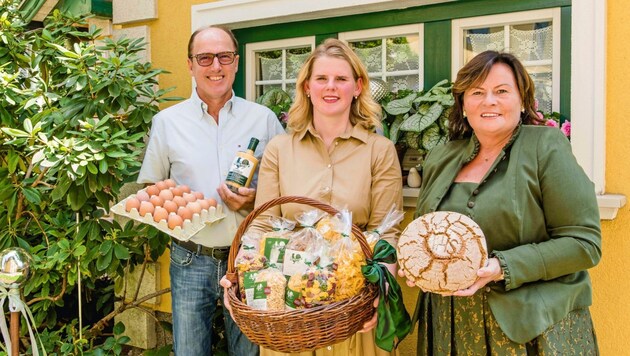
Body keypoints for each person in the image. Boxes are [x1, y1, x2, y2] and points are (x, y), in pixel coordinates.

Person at [399, 50, 601, 355]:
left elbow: (584, 244)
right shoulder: (442, 156)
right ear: (464, 105)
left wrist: (501, 267)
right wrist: (417, 261)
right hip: (449, 323)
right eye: (477, 92)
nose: (488, 100)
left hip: (529, 326)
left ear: (523, 101)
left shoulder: (546, 147)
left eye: (502, 91)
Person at [221, 38, 406, 355]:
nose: (330, 87)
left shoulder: (380, 150)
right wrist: (240, 270)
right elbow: (264, 223)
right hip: (291, 312)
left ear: (358, 86)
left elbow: (386, 232)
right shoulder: (281, 148)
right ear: (307, 87)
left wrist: (381, 291)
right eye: (321, 78)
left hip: (354, 304)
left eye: (341, 79)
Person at [137, 25, 285, 355]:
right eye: (205, 58)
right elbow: (151, 187)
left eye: (224, 57)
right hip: (190, 257)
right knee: (190, 350)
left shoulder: (264, 120)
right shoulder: (167, 122)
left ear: (235, 62)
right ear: (190, 65)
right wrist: (176, 206)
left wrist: (254, 200)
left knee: (249, 351)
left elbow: (284, 188)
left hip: (250, 258)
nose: (215, 66)